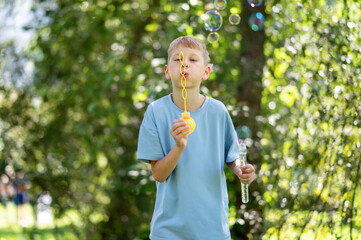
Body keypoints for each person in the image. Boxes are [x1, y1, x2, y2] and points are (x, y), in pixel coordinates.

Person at [137, 36, 256, 240]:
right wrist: (179, 147)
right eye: (178, 59)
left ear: (206, 71)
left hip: (213, 231)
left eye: (193, 60)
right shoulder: (156, 111)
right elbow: (158, 174)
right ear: (167, 71)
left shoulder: (218, 111)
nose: (184, 64)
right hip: (168, 233)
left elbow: (232, 157)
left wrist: (241, 169)